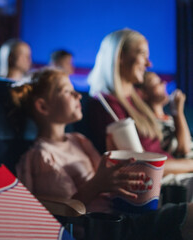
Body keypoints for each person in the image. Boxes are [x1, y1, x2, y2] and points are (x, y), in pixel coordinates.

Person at [11, 67, 193, 240]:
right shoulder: (42, 156)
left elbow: (106, 178)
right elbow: (65, 212)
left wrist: (116, 161)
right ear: (43, 106)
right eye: (66, 91)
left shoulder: (79, 140)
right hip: (101, 229)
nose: (78, 95)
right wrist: (98, 183)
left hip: (122, 215)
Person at [87, 29, 193, 175]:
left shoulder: (137, 98)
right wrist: (189, 164)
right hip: (160, 181)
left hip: (174, 171)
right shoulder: (105, 105)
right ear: (120, 57)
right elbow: (139, 167)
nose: (149, 63)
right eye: (142, 54)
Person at [140, 71, 193, 158]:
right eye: (155, 82)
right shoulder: (150, 124)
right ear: (144, 94)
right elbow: (184, 148)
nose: (163, 83)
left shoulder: (169, 118)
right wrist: (178, 112)